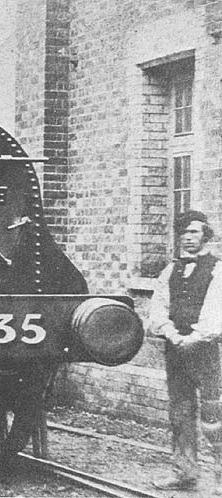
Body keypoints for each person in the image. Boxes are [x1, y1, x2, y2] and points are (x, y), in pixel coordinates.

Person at [149, 210, 222, 492]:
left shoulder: (217, 270)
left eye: (194, 232)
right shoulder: (171, 270)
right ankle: (184, 472)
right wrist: (171, 334)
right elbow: (158, 308)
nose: (188, 238)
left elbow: (216, 312)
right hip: (176, 351)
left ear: (205, 235)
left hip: (205, 352)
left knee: (213, 417)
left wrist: (195, 337)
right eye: (184, 232)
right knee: (179, 413)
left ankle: (220, 476)